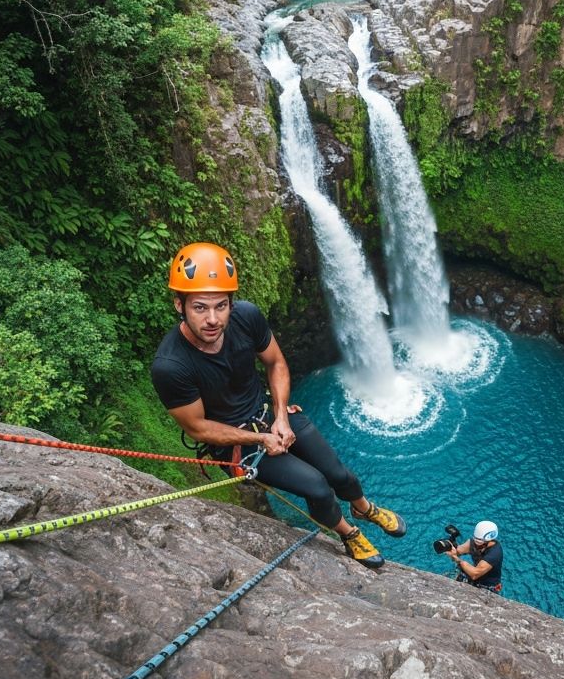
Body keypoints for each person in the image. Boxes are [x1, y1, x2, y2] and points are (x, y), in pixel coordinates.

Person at [150, 242, 405, 568]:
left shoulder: (246, 317)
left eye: (221, 306)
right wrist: (261, 439)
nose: (213, 319)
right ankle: (348, 533)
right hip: (237, 445)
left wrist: (281, 418)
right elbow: (198, 428)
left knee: (341, 475)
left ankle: (364, 507)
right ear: (179, 305)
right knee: (317, 488)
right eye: (200, 307)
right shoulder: (171, 366)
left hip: (270, 414)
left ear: (231, 303)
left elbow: (276, 363)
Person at [446, 520, 503, 593]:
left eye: (480, 542)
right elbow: (457, 552)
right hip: (473, 576)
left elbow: (475, 574)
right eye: (476, 540)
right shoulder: (473, 543)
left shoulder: (494, 554)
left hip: (487, 586)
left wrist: (458, 560)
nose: (477, 545)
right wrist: (451, 548)